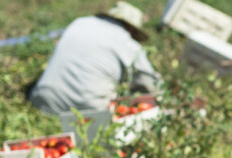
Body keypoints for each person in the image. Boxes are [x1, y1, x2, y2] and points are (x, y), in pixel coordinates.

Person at [29, 2, 162, 115]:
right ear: (131, 28)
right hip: (87, 110)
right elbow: (150, 84)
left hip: (42, 101)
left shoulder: (80, 23)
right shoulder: (127, 42)